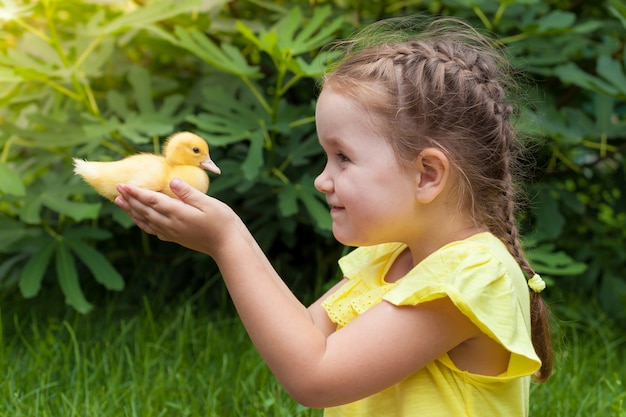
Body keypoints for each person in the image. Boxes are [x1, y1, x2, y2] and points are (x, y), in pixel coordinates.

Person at [115, 16, 553, 417]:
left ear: (427, 175)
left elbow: (315, 376)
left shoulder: (473, 276)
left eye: (343, 157)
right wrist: (225, 236)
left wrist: (226, 241)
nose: (322, 180)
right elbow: (306, 336)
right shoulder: (390, 257)